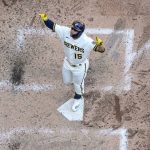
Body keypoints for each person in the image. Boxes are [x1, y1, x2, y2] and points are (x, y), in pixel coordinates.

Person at [39, 13, 105, 112]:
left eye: (75, 30)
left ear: (80, 32)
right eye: (72, 28)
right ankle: (78, 81)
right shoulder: (65, 31)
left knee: (77, 84)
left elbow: (101, 50)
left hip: (80, 66)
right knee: (67, 81)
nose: (72, 30)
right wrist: (45, 19)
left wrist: (100, 44)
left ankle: (78, 98)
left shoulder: (87, 41)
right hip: (67, 63)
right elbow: (52, 25)